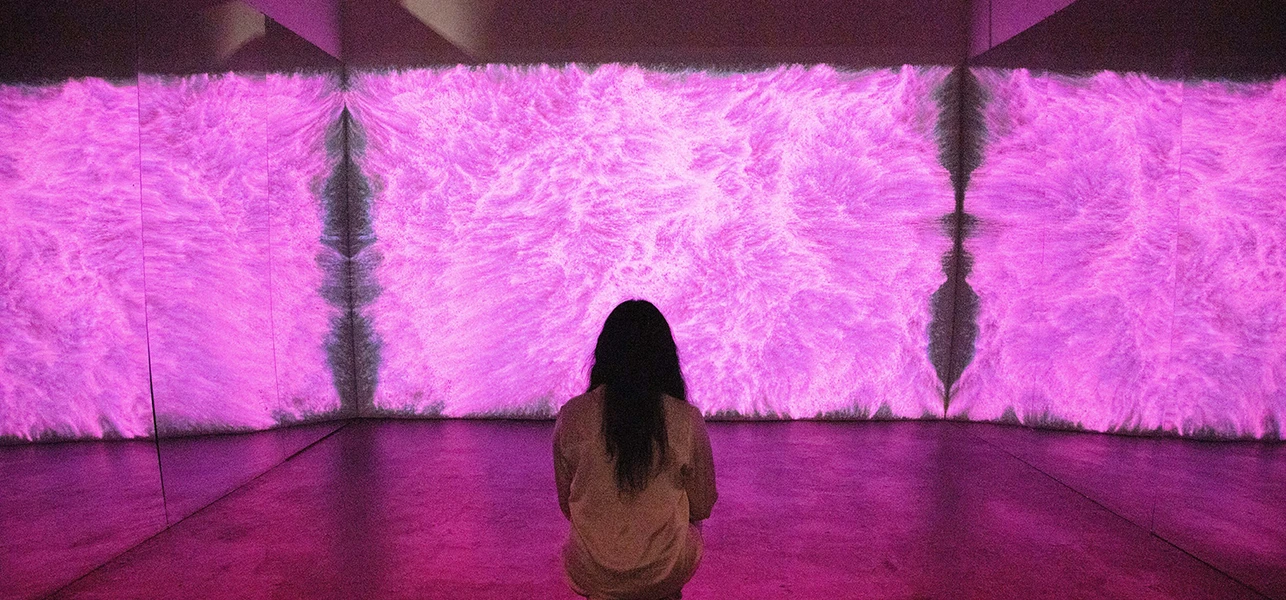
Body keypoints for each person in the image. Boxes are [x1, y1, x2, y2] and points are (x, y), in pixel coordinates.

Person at [554, 300, 718, 600]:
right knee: (689, 521)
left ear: (604, 354)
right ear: (665, 358)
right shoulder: (685, 419)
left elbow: (568, 505)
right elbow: (703, 504)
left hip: (591, 571)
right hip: (663, 572)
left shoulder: (572, 415)